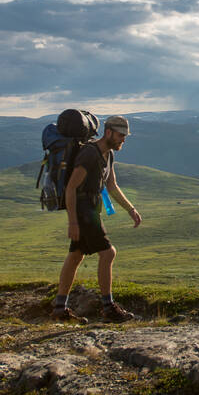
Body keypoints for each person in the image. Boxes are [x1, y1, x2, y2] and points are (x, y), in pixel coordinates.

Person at [52, 114, 142, 323]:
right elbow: (72, 187)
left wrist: (131, 209)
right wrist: (73, 222)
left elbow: (111, 185)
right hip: (84, 211)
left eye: (125, 136)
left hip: (91, 208)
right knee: (108, 253)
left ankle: (59, 308)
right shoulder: (90, 154)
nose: (123, 140)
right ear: (108, 132)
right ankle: (108, 307)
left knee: (76, 255)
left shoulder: (108, 154)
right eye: (121, 135)